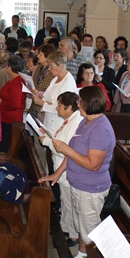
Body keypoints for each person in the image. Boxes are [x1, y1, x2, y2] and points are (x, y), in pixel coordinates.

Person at [39, 86, 115, 258]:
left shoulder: (101, 130)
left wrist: (65, 149)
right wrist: (57, 173)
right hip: (78, 183)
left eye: (80, 101)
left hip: (90, 188)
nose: (78, 104)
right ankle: (81, 255)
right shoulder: (85, 122)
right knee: (82, 226)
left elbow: (93, 165)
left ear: (88, 103)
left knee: (90, 231)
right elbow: (74, 152)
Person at [37, 91, 83, 246]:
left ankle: (74, 236)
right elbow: (59, 139)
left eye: (60, 106)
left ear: (69, 108)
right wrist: (48, 134)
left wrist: (46, 141)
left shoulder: (75, 123)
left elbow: (64, 149)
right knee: (65, 201)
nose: (56, 108)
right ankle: (65, 228)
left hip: (67, 170)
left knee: (70, 204)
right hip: (62, 169)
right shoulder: (69, 120)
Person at [32, 51, 77, 133]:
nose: (49, 69)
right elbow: (46, 98)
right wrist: (40, 97)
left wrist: (41, 102)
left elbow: (63, 108)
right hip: (48, 121)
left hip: (58, 124)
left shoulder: (68, 83)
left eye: (51, 66)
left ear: (61, 66)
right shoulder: (55, 79)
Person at [0, 56, 26, 153]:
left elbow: (15, 104)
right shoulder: (12, 80)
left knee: (7, 146)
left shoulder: (17, 82)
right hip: (7, 117)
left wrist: (2, 102)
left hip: (11, 119)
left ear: (10, 67)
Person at [27, 44, 55, 118]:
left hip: (44, 110)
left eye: (40, 54)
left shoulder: (54, 72)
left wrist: (38, 93)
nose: (38, 56)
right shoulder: (37, 68)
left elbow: (53, 92)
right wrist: (29, 89)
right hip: (33, 107)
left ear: (47, 57)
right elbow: (32, 83)